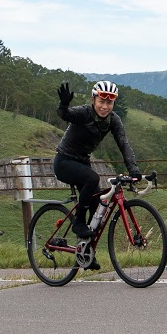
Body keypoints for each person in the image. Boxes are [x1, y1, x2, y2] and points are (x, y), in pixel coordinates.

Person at [54, 81, 140, 249]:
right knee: (93, 178)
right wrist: (63, 104)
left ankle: (86, 252)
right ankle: (78, 223)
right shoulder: (84, 113)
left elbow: (123, 143)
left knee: (97, 208)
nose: (105, 106)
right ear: (93, 100)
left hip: (83, 163)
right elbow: (65, 114)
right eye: (101, 101)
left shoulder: (113, 120)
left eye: (109, 103)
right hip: (64, 161)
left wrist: (133, 168)